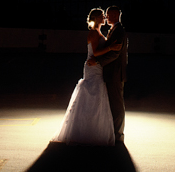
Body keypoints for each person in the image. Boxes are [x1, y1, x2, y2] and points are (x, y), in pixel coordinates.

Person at [51, 8, 122, 145]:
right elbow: (95, 52)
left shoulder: (98, 32)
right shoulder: (93, 33)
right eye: (102, 16)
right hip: (93, 66)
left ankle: (94, 128)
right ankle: (88, 130)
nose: (105, 18)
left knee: (97, 97)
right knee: (93, 95)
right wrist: (110, 48)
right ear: (96, 18)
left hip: (97, 67)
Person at [88, 5, 127, 144]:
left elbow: (115, 53)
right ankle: (113, 132)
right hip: (110, 73)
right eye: (104, 15)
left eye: (108, 14)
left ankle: (118, 135)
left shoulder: (119, 31)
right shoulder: (114, 30)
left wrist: (97, 61)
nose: (106, 17)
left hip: (115, 74)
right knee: (112, 103)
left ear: (116, 15)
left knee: (116, 104)